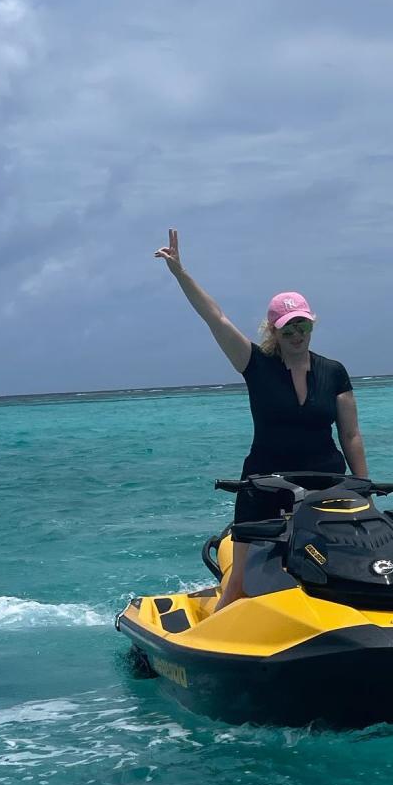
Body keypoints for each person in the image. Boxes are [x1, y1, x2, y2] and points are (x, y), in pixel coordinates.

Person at [154, 228, 369, 610]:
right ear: (274, 329)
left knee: (349, 565)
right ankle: (217, 638)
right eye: (289, 327)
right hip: (264, 484)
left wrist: (363, 486)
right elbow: (215, 318)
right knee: (239, 582)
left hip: (326, 483)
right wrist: (180, 273)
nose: (297, 334)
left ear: (312, 326)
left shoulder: (334, 372)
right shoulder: (255, 364)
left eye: (303, 325)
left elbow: (350, 434)